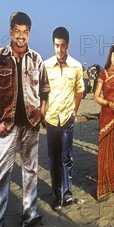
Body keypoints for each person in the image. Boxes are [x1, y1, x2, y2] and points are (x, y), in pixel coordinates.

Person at [0, 12, 50, 227]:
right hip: (6, 126)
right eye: (17, 31)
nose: (21, 37)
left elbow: (45, 91)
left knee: (30, 171)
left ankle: (30, 215)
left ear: (29, 33)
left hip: (31, 124)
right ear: (11, 31)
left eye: (25, 32)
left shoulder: (37, 59)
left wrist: (40, 113)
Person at [44, 27, 84, 210]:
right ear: (53, 45)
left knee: (67, 158)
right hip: (51, 119)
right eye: (56, 45)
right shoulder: (45, 65)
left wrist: (74, 111)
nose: (59, 49)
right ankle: (56, 196)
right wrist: (43, 113)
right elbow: (41, 92)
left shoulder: (76, 66)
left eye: (62, 45)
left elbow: (80, 90)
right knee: (53, 159)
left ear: (67, 45)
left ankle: (67, 195)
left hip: (67, 119)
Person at [94, 44, 114, 200]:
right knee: (104, 151)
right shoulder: (103, 74)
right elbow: (96, 97)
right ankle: (102, 188)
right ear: (109, 56)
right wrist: (108, 103)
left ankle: (111, 185)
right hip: (106, 116)